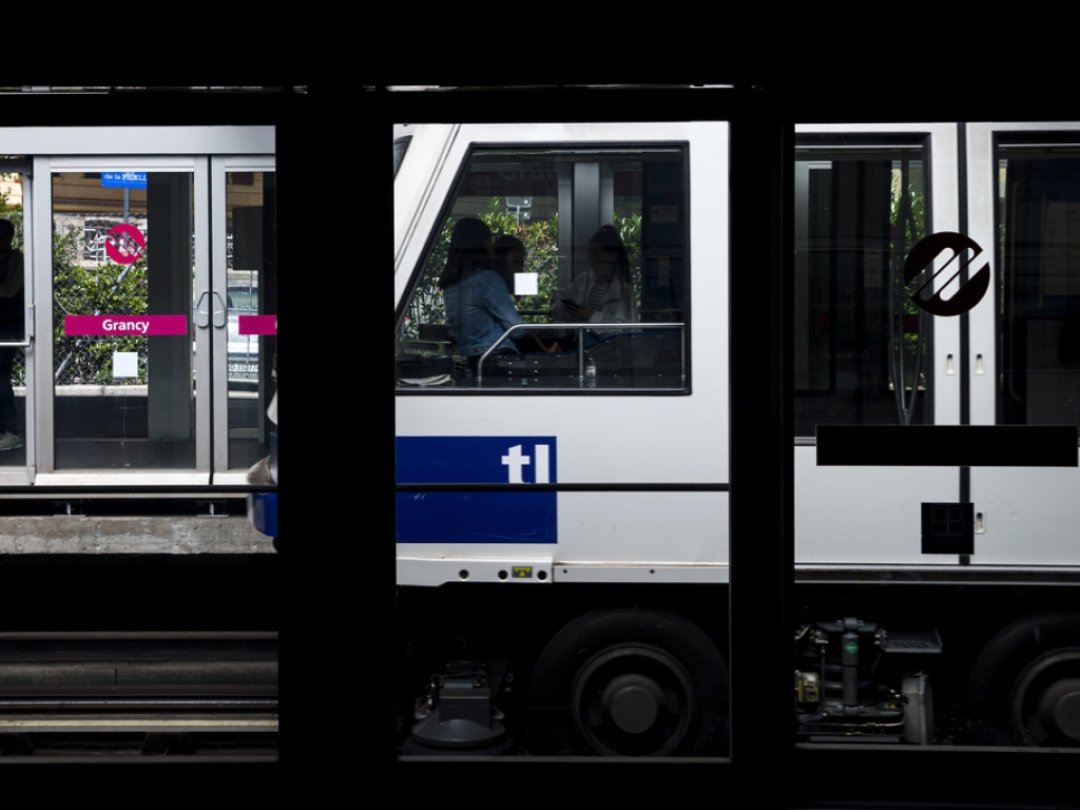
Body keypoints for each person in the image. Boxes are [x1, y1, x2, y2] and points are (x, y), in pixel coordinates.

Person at [440, 219, 553, 372]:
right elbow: (516, 328)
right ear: (480, 243)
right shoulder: (487, 279)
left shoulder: (450, 284)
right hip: (499, 357)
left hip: (473, 360)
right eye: (489, 240)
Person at [551, 224, 639, 326]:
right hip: (581, 338)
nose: (593, 260)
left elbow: (626, 327)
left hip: (610, 341)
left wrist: (592, 316)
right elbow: (559, 298)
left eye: (597, 255)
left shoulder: (624, 290)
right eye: (590, 256)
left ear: (613, 256)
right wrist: (567, 309)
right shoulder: (584, 280)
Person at [0, 219, 24, 452]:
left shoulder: (16, 259)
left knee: (1, 379)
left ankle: (11, 432)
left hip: (7, 328)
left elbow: (10, 289)